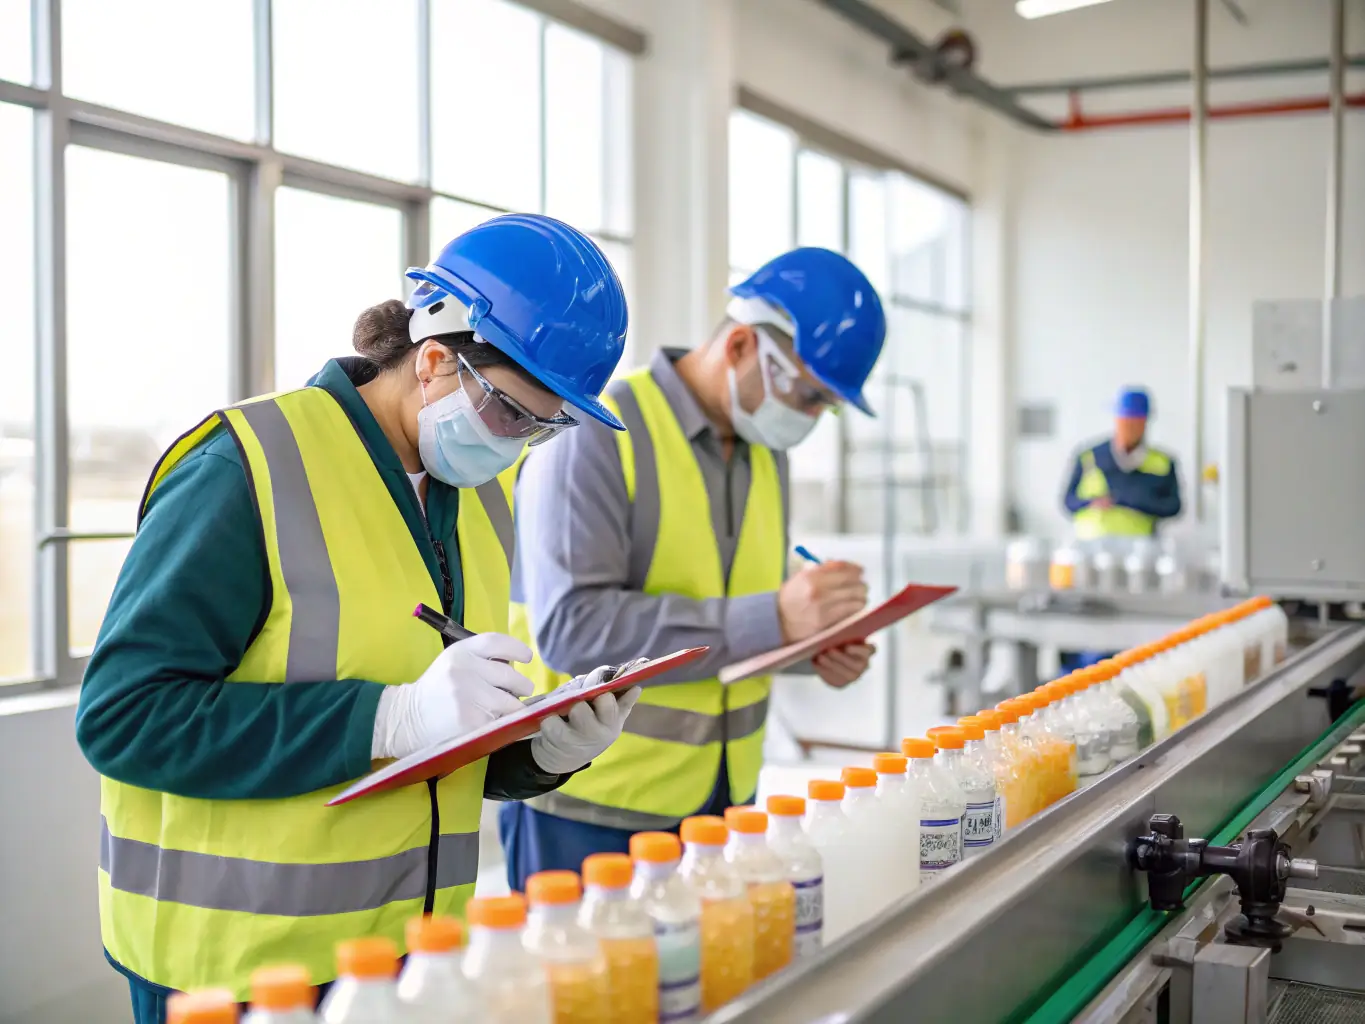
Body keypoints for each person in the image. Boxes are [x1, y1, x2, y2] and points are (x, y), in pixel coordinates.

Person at [75, 214, 642, 1023]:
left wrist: (539, 751)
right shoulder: (247, 465)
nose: (519, 445)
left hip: (405, 965)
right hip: (237, 974)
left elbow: (435, 739)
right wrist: (390, 715)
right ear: (437, 358)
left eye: (546, 429)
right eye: (514, 414)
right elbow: (124, 719)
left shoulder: (477, 499)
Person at [498, 247, 887, 889]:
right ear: (738, 346)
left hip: (724, 809)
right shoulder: (598, 432)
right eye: (808, 394)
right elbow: (573, 629)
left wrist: (808, 646)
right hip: (593, 807)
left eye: (828, 405)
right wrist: (777, 617)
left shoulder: (764, 453)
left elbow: (731, 616)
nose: (813, 418)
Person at [1063, 386, 1182, 540]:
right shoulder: (1089, 456)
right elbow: (1068, 501)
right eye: (1124, 421)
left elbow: (1174, 507)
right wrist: (1091, 502)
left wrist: (1138, 503)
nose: (1129, 427)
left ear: (1145, 423)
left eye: (1134, 422)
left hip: (1139, 550)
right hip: (1091, 546)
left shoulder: (1163, 463)